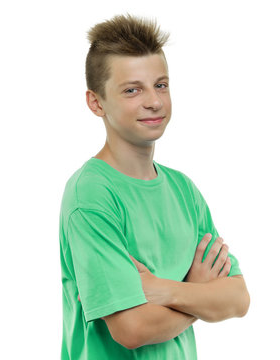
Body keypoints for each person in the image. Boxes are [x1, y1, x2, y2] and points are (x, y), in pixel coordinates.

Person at [59, 14, 250, 359]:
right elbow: (132, 329)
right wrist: (198, 292)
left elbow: (238, 299)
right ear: (96, 102)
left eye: (160, 85)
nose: (154, 102)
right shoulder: (91, 195)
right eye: (133, 90)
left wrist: (163, 290)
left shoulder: (183, 190)